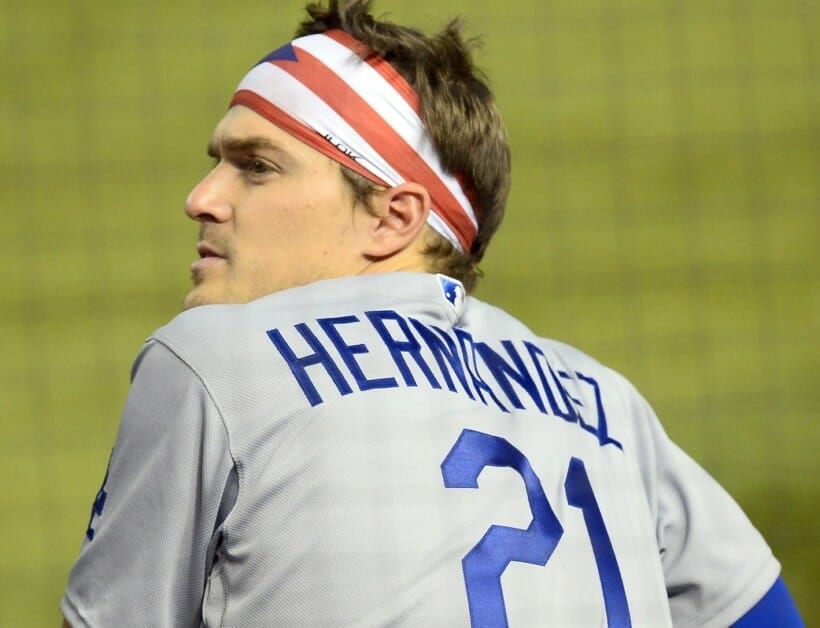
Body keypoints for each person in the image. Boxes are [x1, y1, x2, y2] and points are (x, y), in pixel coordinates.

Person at [61, 0, 804, 626]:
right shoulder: (607, 406)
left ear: (393, 217)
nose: (202, 198)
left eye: (256, 167)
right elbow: (761, 612)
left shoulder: (217, 360)